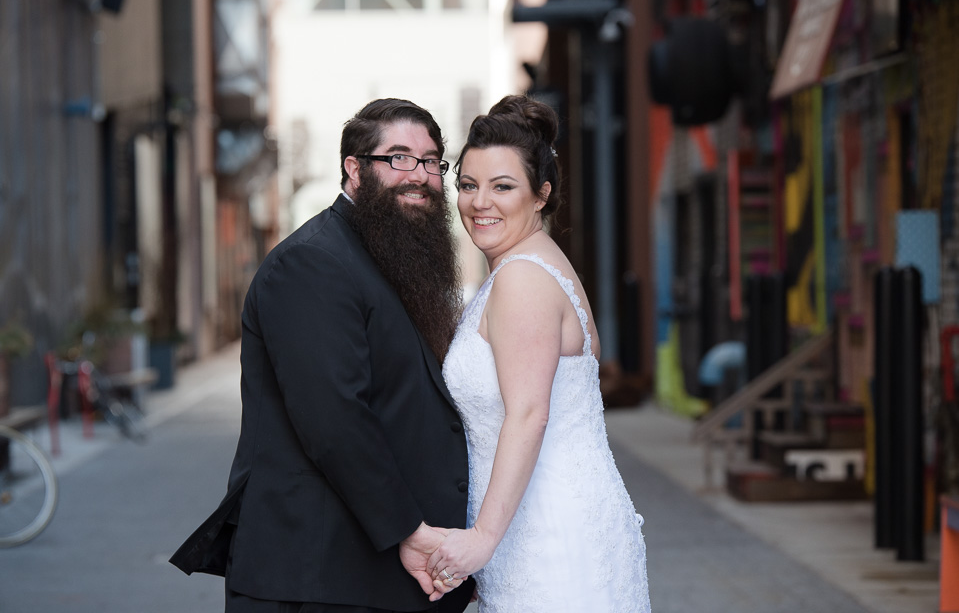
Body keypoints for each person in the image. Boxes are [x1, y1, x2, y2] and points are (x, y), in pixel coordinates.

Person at [170, 98, 474, 613]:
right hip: (314, 576)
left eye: (430, 161)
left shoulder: (390, 255)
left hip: (364, 575)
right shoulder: (313, 262)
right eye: (398, 158)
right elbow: (334, 419)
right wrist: (409, 530)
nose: (419, 175)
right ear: (354, 170)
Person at [426, 95, 651, 612]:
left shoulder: (523, 278)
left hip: (546, 536)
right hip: (540, 525)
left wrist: (480, 539)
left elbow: (528, 414)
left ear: (541, 195)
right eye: (468, 185)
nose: (480, 202)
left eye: (503, 186)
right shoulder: (532, 263)